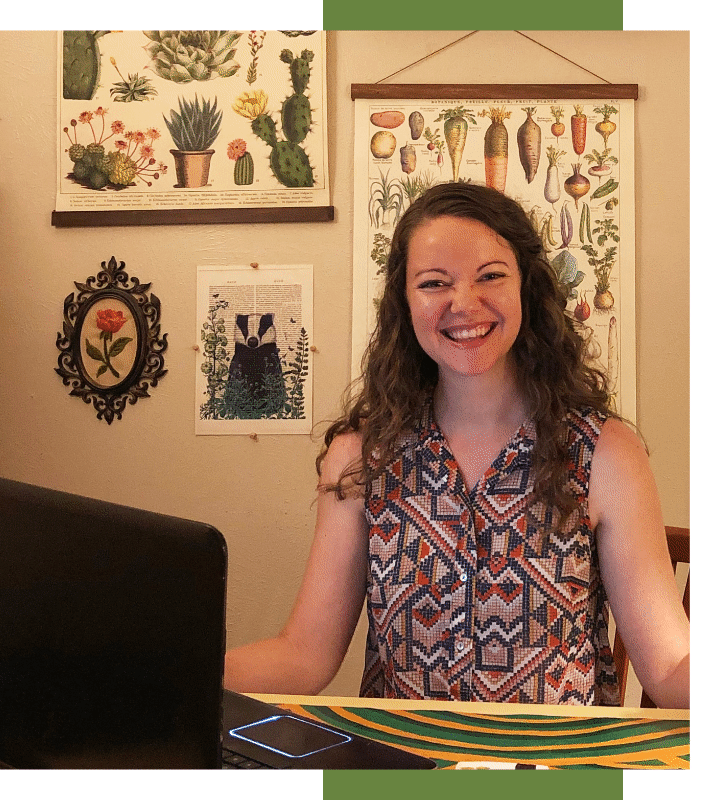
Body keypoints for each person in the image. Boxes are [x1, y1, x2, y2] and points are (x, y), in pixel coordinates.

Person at [225, 182, 689, 708]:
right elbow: (304, 656)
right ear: (404, 302)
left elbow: (670, 665)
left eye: (490, 276)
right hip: (402, 759)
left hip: (555, 759)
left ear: (526, 287)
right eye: (434, 283)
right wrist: (175, 670)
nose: (464, 303)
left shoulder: (605, 451)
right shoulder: (361, 458)